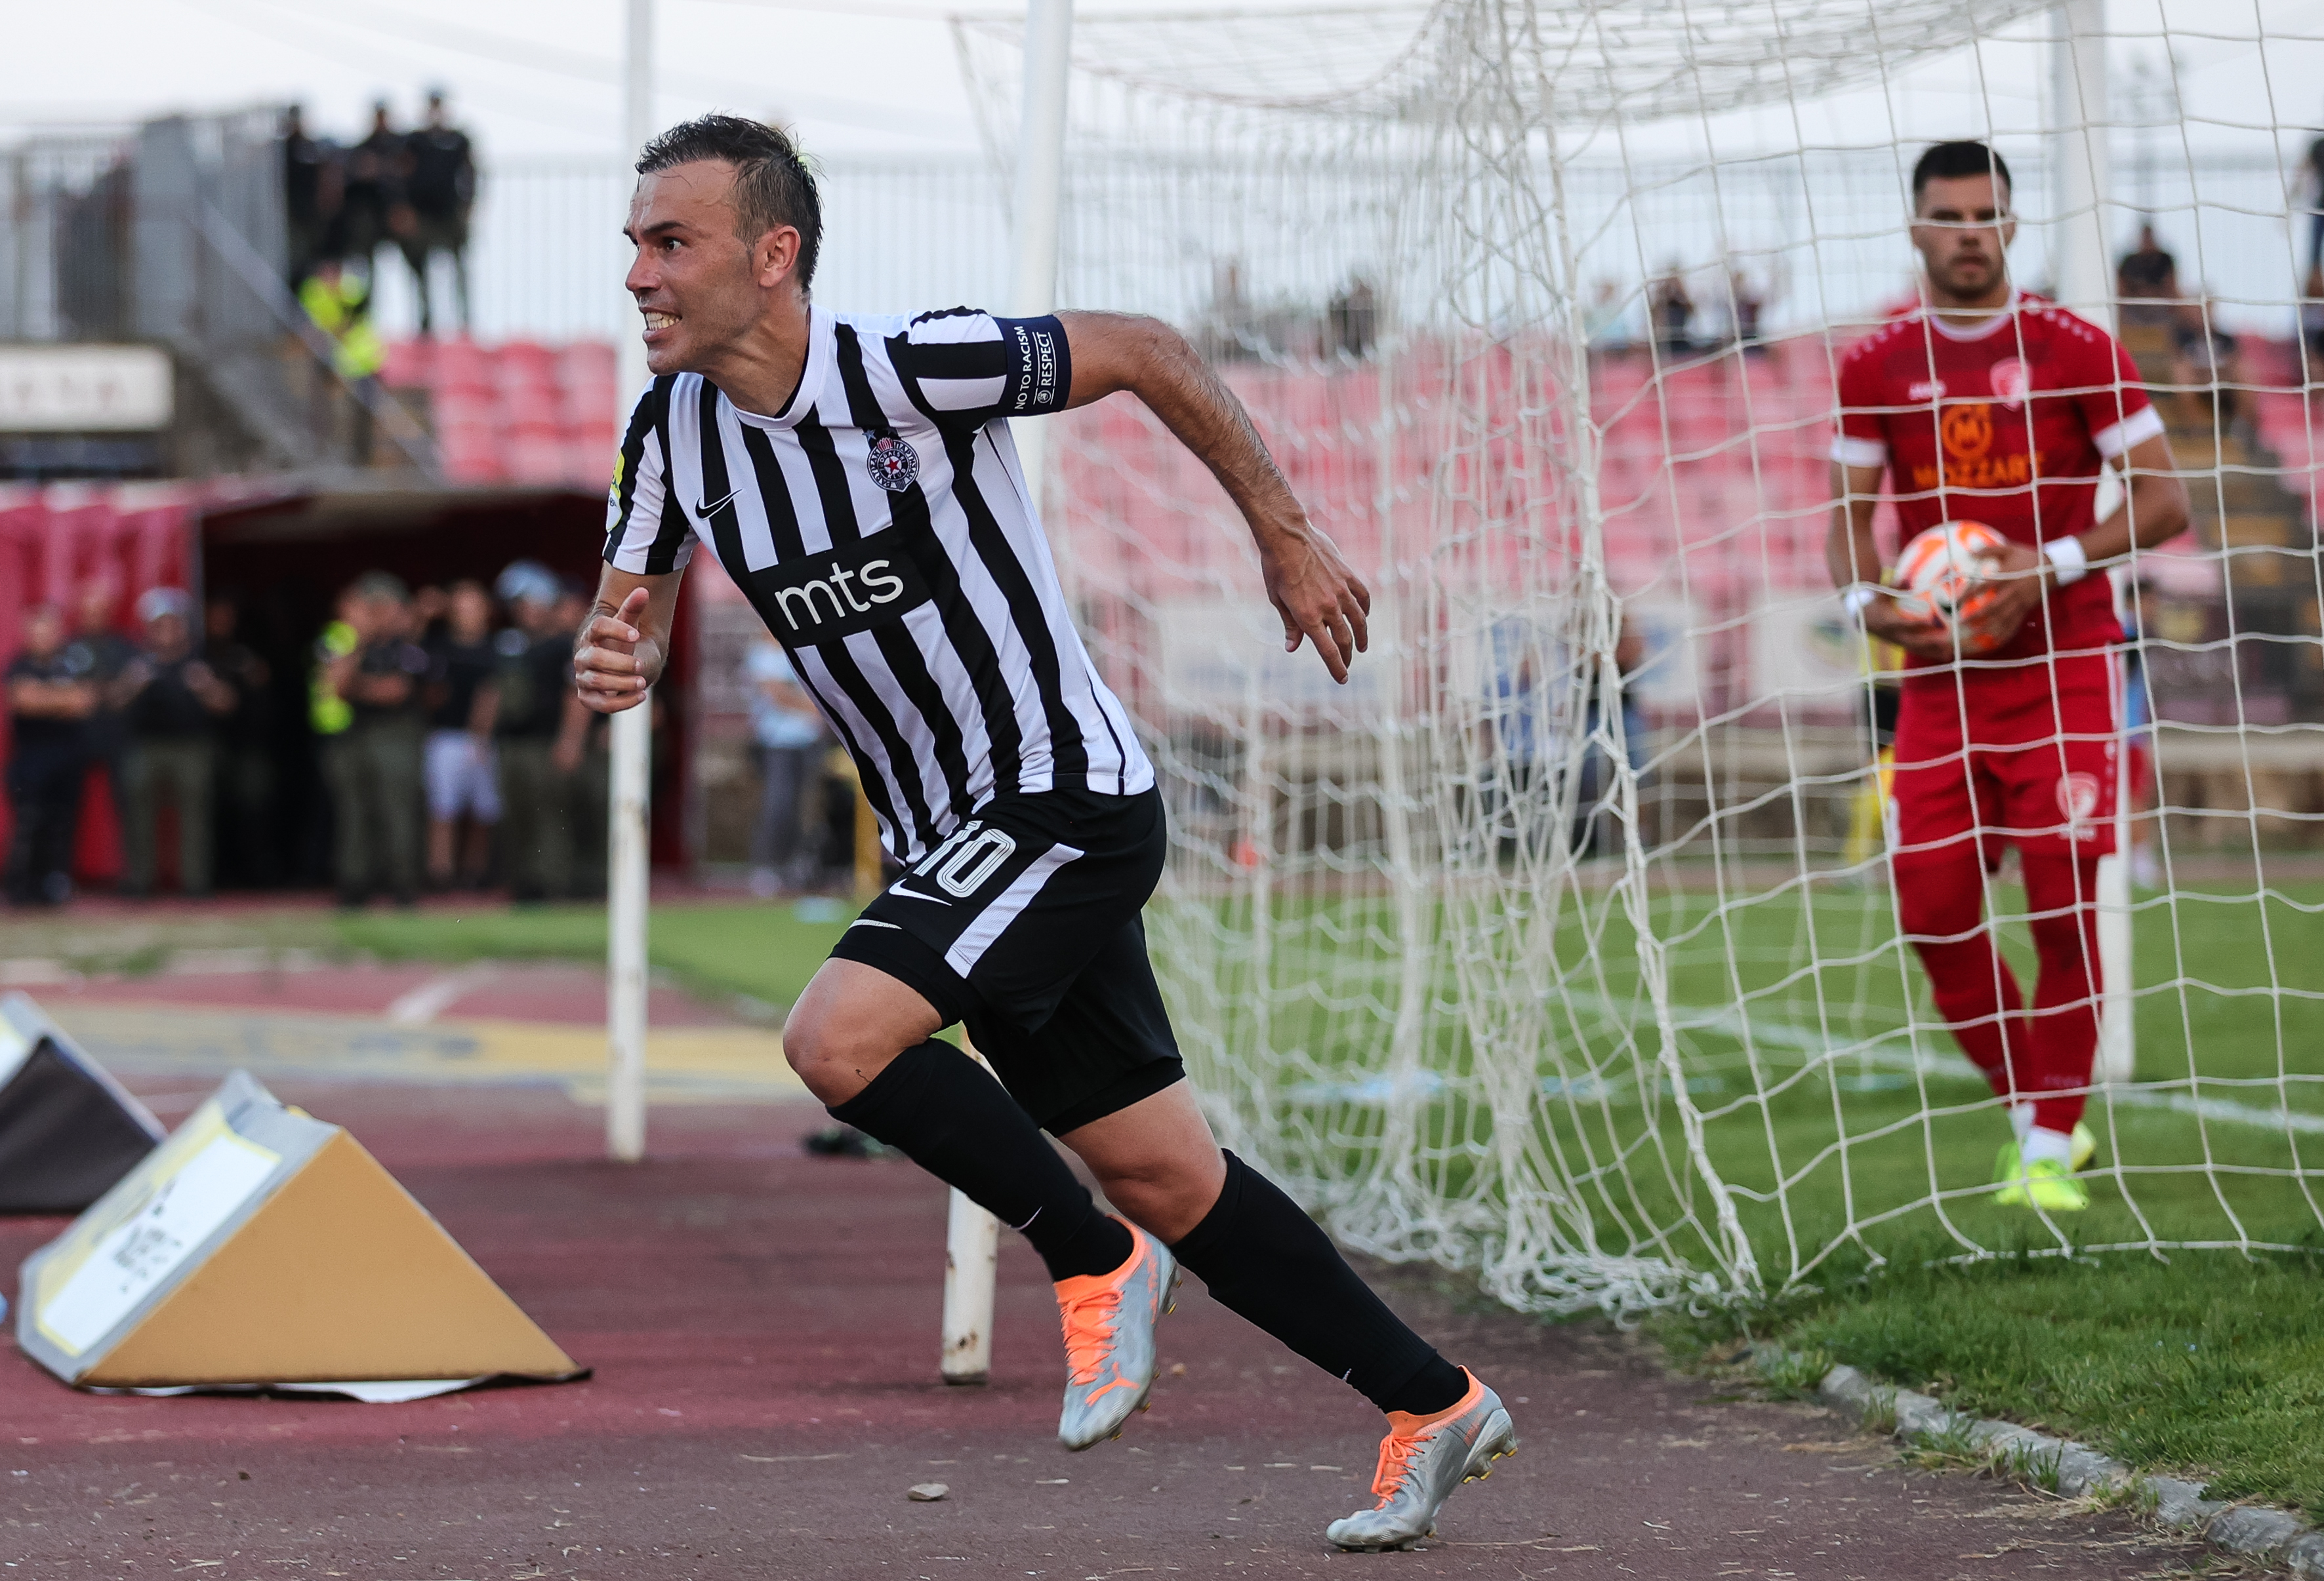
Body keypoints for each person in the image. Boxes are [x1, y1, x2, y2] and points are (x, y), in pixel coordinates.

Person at [575, 115, 1514, 1553]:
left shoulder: (910, 371)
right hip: (951, 841)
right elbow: (621, 616)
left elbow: (1136, 343)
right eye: (635, 240)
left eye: (669, 240)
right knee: (1165, 1169)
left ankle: (1088, 1257)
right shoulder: (672, 436)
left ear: (774, 258)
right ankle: (1431, 1399)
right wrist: (613, 661)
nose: (636, 270)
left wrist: (1279, 526)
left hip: (1060, 797)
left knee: (836, 1040)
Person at [1827, 140, 2190, 1213]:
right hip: (1940, 676)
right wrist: (1869, 606)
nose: (1968, 233)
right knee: (1931, 910)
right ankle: (2039, 1110)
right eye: (1947, 216)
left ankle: (2039, 1148)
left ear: (2012, 225)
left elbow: (2164, 502)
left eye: (1986, 214)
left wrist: (2052, 565)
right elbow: (1849, 528)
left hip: (2066, 661)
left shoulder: (2075, 346)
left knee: (2059, 904)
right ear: (1913, 229)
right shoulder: (1872, 365)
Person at [115, 588, 234, 898]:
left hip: (191, 747)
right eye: (160, 625)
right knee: (140, 817)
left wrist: (206, 687)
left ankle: (196, 883)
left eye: (174, 624)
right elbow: (112, 703)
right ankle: (141, 882)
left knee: (195, 816)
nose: (167, 632)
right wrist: (133, 684)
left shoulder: (200, 659)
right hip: (145, 747)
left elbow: (227, 704)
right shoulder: (137, 660)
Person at [324, 572, 428, 907]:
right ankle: (355, 885)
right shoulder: (352, 645)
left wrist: (361, 688)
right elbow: (337, 689)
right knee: (355, 814)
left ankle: (402, 886)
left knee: (396, 812)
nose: (377, 614)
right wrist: (358, 641)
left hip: (396, 736)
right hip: (358, 738)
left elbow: (396, 691)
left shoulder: (409, 647)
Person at [488, 561, 588, 902]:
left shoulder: (563, 644)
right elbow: (494, 693)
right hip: (511, 744)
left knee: (549, 816)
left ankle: (553, 886)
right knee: (516, 817)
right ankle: (523, 887)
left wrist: (571, 741)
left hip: (545, 744)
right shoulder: (510, 643)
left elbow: (574, 695)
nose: (524, 611)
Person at [5, 605, 96, 906]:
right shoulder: (19, 665)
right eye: (39, 632)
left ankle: (54, 887)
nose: (45, 638)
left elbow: (84, 702)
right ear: (29, 634)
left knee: (62, 824)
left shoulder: (73, 663)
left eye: (50, 631)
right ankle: (21, 888)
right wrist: (61, 700)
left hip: (67, 759)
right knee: (30, 825)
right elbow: (23, 701)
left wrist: (45, 697)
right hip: (31, 760)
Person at [422, 579, 501, 891]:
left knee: (484, 810)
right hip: (445, 737)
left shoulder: (494, 649)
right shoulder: (438, 646)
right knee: (443, 809)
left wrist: (481, 735)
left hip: (482, 740)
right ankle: (440, 872)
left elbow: (493, 696)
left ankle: (474, 873)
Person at [744, 633, 827, 895]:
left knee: (809, 809)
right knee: (778, 804)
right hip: (777, 742)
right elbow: (777, 695)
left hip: (809, 741)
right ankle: (767, 866)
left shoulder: (804, 646)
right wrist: (814, 709)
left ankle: (800, 865)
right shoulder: (762, 654)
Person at [204, 595, 276, 889]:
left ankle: (256, 874)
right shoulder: (201, 655)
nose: (222, 623)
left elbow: (264, 690)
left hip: (248, 745)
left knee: (253, 808)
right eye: (216, 616)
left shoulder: (245, 654)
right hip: (213, 745)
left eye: (227, 616)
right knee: (214, 811)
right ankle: (218, 875)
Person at [399, 90, 477, 338]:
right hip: (423, 214)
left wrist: (468, 205)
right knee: (420, 268)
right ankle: (425, 323)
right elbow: (403, 172)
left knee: (459, 267)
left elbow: (471, 172)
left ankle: (465, 322)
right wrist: (406, 209)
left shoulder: (458, 139)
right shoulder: (415, 140)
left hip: (450, 212)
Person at [280, 104, 336, 287]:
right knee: (295, 262)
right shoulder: (281, 151)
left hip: (312, 217)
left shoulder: (312, 148)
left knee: (311, 264)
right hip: (290, 217)